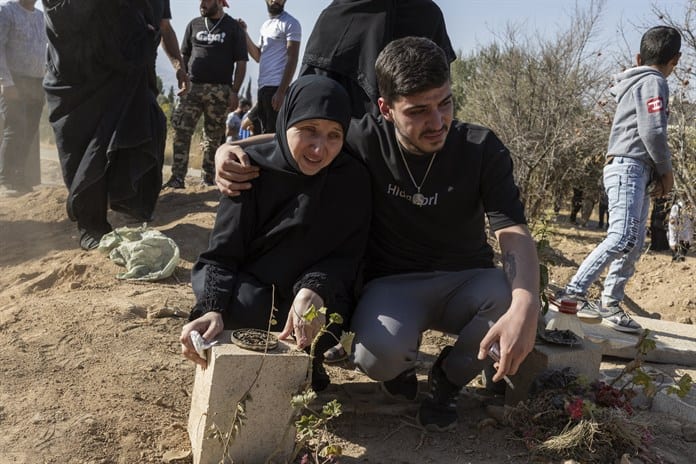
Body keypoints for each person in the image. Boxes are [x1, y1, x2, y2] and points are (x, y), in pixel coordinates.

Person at [214, 37, 540, 432]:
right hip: (392, 283)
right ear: (385, 109)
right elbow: (300, 134)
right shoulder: (363, 139)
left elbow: (512, 229)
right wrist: (229, 149)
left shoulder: (481, 147)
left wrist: (526, 304)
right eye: (418, 111)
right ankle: (397, 370)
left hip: (467, 279)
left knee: (512, 300)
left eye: (445, 103)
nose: (437, 122)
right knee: (375, 356)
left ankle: (448, 379)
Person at [179, 75, 371, 392]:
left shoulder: (351, 180)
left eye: (334, 135)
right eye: (308, 130)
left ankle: (311, 360)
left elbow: (347, 257)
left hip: (317, 293)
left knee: (333, 312)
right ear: (286, 123)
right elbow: (222, 257)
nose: (320, 147)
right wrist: (210, 308)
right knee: (241, 305)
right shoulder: (248, 170)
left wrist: (313, 289)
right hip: (257, 290)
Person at [557, 26, 681, 332]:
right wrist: (666, 170)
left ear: (639, 56)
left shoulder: (636, 81)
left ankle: (610, 304)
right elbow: (653, 131)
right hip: (629, 166)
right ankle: (572, 294)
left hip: (633, 168)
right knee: (623, 236)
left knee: (634, 242)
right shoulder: (654, 81)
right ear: (675, 61)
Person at [43, 0, 168, 250]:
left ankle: (129, 200)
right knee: (83, 145)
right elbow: (61, 16)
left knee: (143, 119)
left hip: (120, 64)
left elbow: (147, 14)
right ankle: (91, 223)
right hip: (76, 75)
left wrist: (146, 33)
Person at [300, 0, 455, 118]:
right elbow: (310, 105)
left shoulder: (427, 14)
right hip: (348, 147)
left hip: (420, 145)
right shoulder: (336, 18)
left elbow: (442, 93)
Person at [162, 0, 247, 189]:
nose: (202, 5)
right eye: (200, 1)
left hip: (220, 90)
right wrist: (182, 77)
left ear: (219, 2)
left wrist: (234, 91)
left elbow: (241, 63)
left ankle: (208, 178)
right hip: (192, 87)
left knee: (213, 136)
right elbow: (183, 54)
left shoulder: (233, 27)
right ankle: (177, 178)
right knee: (181, 131)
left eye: (207, 1)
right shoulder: (194, 24)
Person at [0, 0, 46, 196]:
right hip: (15, 80)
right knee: (15, 129)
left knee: (29, 132)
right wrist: (6, 81)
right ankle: (5, 181)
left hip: (37, 82)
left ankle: (19, 178)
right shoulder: (6, 11)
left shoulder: (40, 16)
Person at [239, 0, 301, 133]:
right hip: (263, 88)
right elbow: (258, 56)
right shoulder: (265, 25)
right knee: (264, 133)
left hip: (276, 87)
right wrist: (244, 33)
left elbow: (292, 58)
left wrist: (281, 91)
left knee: (274, 136)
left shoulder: (291, 23)